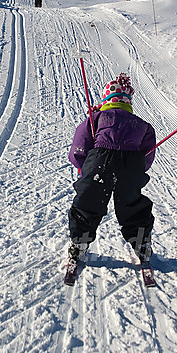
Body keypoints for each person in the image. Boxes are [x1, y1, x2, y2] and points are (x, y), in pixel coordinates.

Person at [67, 73, 157, 263]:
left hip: (100, 161)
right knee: (132, 203)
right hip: (131, 165)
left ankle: (80, 243)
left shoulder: (96, 118)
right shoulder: (143, 125)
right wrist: (137, 173)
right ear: (128, 102)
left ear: (106, 99)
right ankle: (141, 244)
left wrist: (85, 169)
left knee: (88, 200)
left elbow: (79, 145)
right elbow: (147, 155)